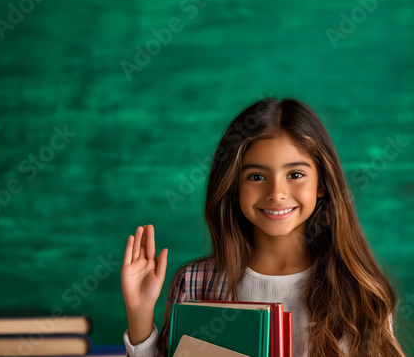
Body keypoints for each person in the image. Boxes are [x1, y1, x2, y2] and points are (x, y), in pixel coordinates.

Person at [121, 97, 408, 356]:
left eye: (295, 174)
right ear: (233, 187)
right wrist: (139, 313)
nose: (276, 193)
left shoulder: (360, 292)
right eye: (257, 177)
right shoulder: (195, 282)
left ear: (321, 184)